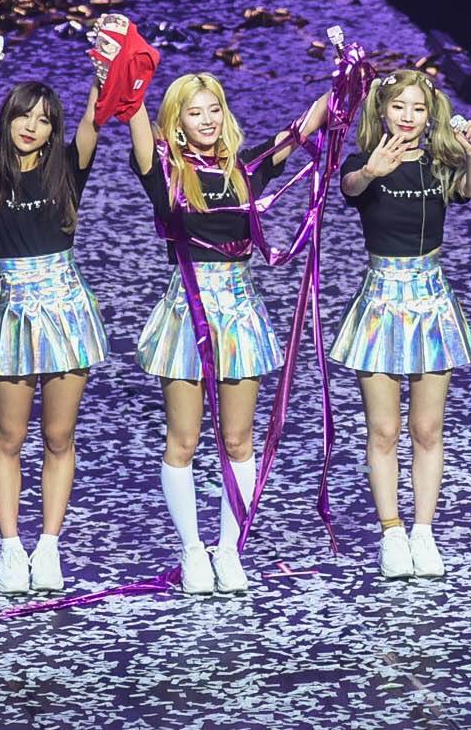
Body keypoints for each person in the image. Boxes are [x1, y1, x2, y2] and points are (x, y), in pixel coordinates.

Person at [128, 72, 326, 594]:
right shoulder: (167, 172)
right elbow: (136, 123)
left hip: (238, 316)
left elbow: (303, 128)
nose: (207, 120)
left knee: (238, 440)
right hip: (187, 313)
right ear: (177, 121)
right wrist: (125, 76)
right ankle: (193, 550)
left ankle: (230, 548)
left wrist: (345, 83)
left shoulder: (245, 169)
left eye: (213, 108)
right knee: (184, 440)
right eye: (194, 112)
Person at [330, 69, 471, 578]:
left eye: (418, 108)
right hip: (381, 301)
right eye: (399, 107)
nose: (408, 116)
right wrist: (371, 171)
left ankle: (423, 531)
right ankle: (391, 532)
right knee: (383, 429)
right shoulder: (366, 161)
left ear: (429, 114)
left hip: (431, 300)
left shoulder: (439, 163)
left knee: (427, 428)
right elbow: (349, 187)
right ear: (382, 111)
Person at [0, 68, 107, 594]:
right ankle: (10, 547)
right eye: (22, 116)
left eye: (43, 121)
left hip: (67, 313)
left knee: (58, 436)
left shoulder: (65, 169)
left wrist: (104, 70)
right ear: (5, 120)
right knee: (10, 437)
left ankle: (48, 546)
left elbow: (93, 119)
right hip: (14, 315)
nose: (31, 126)